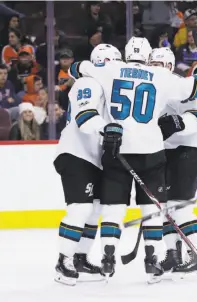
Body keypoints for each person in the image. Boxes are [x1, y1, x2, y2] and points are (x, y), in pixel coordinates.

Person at [69, 37, 197, 284]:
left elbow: (76, 68)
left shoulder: (109, 69)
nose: (157, 65)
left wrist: (82, 67)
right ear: (148, 59)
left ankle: (109, 257)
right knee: (154, 208)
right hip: (152, 149)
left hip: (121, 147)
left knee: (117, 206)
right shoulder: (165, 78)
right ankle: (154, 259)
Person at [54, 43, 122, 286]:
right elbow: (85, 118)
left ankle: (81, 258)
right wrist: (107, 130)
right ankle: (64, 261)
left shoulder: (107, 86)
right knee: (80, 208)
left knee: (93, 209)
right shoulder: (88, 83)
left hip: (93, 157)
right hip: (75, 153)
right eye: (112, 62)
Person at [149, 47, 197, 279]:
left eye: (160, 65)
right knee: (165, 207)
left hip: (189, 151)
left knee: (179, 205)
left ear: (170, 67)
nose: (156, 70)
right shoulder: (149, 88)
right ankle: (173, 254)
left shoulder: (182, 87)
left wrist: (178, 123)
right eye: (153, 65)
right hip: (166, 154)